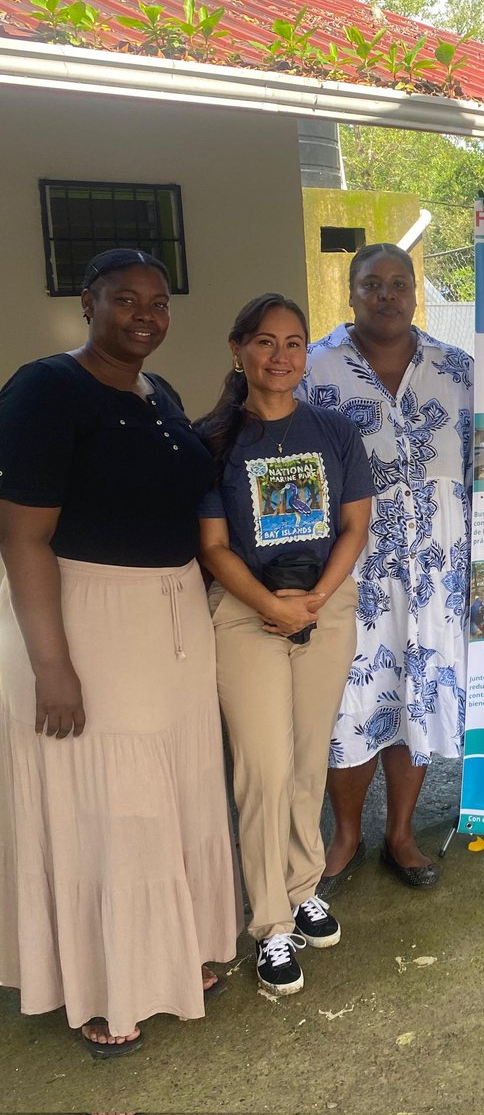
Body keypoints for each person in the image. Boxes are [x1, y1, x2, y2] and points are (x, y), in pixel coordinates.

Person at [0, 249, 239, 1056]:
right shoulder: (44, 390)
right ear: (86, 303)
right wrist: (52, 664)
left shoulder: (156, 391)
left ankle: (173, 947)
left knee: (178, 785)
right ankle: (111, 984)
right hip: (88, 618)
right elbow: (23, 536)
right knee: (115, 802)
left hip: (170, 615)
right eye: (125, 299)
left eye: (159, 302)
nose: (145, 314)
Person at [196, 294, 373, 995]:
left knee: (305, 758)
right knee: (263, 769)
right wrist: (271, 605)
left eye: (295, 342)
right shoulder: (212, 440)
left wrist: (315, 602)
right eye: (265, 342)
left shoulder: (334, 430)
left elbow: (353, 528)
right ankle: (270, 923)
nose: (281, 356)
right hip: (246, 616)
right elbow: (212, 546)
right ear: (238, 349)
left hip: (325, 607)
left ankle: (303, 888)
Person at [302, 243, 471, 893]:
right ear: (351, 292)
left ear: (414, 293)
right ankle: (345, 835)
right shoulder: (314, 369)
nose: (387, 295)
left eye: (399, 284)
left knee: (415, 704)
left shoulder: (458, 371)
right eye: (372, 284)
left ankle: (400, 833)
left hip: (436, 583)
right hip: (349, 577)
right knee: (349, 705)